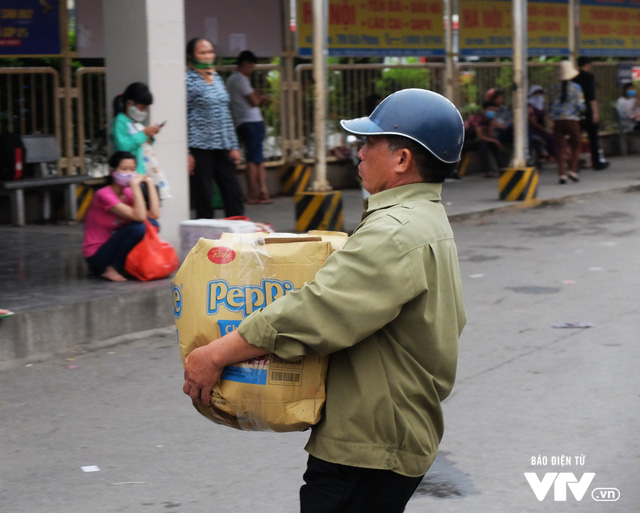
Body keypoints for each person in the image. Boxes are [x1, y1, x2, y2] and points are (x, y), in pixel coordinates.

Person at [183, 88, 466, 513]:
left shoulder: (394, 231)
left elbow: (314, 312)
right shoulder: (425, 219)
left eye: (369, 142)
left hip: (368, 442)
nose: (359, 152)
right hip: (390, 430)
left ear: (403, 159)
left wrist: (217, 353)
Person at [186, 37, 245, 218]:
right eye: (202, 52)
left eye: (210, 51)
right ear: (191, 56)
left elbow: (226, 114)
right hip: (200, 147)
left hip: (223, 146)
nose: (207, 56)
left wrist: (234, 146)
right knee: (204, 195)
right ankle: (206, 239)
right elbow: (182, 116)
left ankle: (237, 232)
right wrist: (186, 151)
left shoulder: (216, 77)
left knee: (233, 192)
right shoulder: (187, 80)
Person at [82, 151, 160, 282]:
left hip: (114, 248)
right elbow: (139, 217)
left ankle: (129, 265)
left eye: (132, 169)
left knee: (152, 224)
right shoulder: (103, 195)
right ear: (112, 170)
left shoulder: (128, 192)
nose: (129, 174)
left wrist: (150, 183)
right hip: (98, 255)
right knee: (138, 228)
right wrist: (135, 185)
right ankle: (110, 269)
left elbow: (153, 215)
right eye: (124, 169)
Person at [226, 50, 271, 205]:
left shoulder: (231, 80)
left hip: (242, 122)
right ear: (245, 64)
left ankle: (260, 191)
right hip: (253, 121)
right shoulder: (241, 79)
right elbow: (254, 101)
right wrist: (261, 97)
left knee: (254, 157)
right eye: (251, 66)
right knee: (255, 160)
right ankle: (257, 193)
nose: (252, 69)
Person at [111, 83, 162, 175]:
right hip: (128, 173)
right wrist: (144, 134)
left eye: (146, 108)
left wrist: (150, 134)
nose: (144, 112)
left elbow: (144, 144)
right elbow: (122, 147)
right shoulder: (120, 121)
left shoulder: (134, 122)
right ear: (129, 103)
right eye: (142, 108)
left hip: (141, 171)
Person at [550, 61, 585, 184]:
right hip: (572, 120)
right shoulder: (576, 88)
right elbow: (581, 106)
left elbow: (551, 105)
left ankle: (562, 174)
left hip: (558, 121)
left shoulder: (554, 88)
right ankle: (573, 170)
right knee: (577, 144)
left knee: (560, 148)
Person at [573, 56, 609, 170]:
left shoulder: (574, 79)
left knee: (576, 138)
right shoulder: (589, 78)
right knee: (593, 137)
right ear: (587, 65)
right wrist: (595, 113)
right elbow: (591, 97)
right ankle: (597, 162)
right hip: (588, 110)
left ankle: (574, 163)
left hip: (576, 111)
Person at [463, 101, 507, 178]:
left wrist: (491, 124)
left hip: (474, 140)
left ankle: (503, 168)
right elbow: (480, 136)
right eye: (490, 110)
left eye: (493, 110)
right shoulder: (477, 118)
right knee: (482, 143)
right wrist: (495, 141)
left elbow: (490, 136)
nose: (492, 112)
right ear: (483, 110)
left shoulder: (488, 120)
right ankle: (488, 171)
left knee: (491, 144)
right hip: (463, 142)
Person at [527, 85, 556, 161]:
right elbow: (533, 122)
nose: (539, 95)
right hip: (535, 130)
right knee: (550, 137)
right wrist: (544, 129)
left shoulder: (542, 106)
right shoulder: (530, 106)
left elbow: (547, 118)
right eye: (537, 93)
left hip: (543, 128)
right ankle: (549, 155)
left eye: (540, 93)